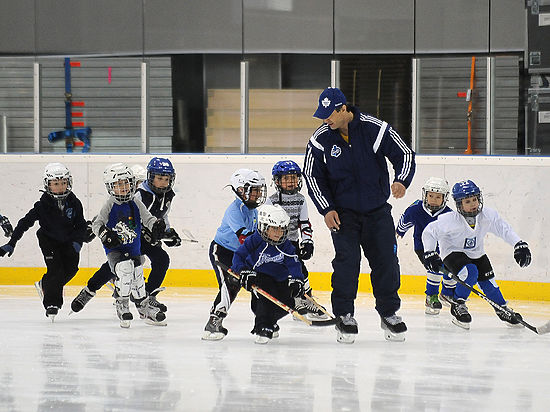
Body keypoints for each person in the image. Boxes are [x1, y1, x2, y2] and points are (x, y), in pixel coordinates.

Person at [303, 87, 416, 343]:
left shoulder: (374, 129)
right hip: (343, 215)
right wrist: (327, 208)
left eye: (329, 114)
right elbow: (312, 175)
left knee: (386, 262)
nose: (325, 120)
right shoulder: (320, 140)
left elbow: (405, 154)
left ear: (343, 109)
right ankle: (344, 314)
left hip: (377, 212)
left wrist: (402, 180)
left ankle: (389, 313)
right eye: (322, 116)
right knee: (347, 263)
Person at [71, 158, 179, 323]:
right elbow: (112, 215)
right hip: (131, 237)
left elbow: (160, 217)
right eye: (158, 178)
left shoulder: (166, 196)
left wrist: (167, 232)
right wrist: (99, 230)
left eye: (166, 178)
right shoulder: (138, 194)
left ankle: (146, 298)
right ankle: (91, 290)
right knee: (118, 267)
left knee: (159, 260)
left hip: (139, 239)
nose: (163, 182)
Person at [422, 180, 532, 329]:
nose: (473, 203)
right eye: (467, 201)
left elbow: (503, 229)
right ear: (459, 204)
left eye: (474, 199)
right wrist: (430, 252)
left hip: (476, 253)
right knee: (470, 272)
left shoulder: (487, 215)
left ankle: (502, 308)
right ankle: (458, 304)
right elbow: (429, 232)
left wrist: (519, 244)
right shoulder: (449, 220)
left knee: (489, 282)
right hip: (452, 253)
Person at [0, 163, 88, 320]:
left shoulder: (75, 203)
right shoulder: (42, 205)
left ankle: (44, 284)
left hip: (69, 241)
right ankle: (52, 303)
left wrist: (78, 242)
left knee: (72, 270)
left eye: (63, 183)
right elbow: (24, 223)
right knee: (56, 271)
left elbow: (81, 225)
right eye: (55, 184)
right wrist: (12, 242)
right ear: (47, 185)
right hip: (49, 241)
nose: (60, 187)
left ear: (69, 182)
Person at [91, 163, 167, 328]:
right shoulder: (110, 204)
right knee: (125, 270)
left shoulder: (135, 202)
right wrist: (105, 234)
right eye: (119, 184)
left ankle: (143, 306)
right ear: (110, 187)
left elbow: (148, 218)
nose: (124, 187)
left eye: (126, 183)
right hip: (115, 250)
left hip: (134, 248)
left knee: (138, 275)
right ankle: (122, 304)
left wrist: (156, 226)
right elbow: (96, 224)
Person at [202, 168, 267, 341]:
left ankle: (264, 321)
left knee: (259, 282)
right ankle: (214, 321)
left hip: (240, 253)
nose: (258, 194)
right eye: (255, 190)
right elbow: (245, 238)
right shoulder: (234, 210)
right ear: (240, 190)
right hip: (222, 251)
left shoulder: (252, 210)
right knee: (230, 283)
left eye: (259, 190)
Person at [233, 204, 305, 344]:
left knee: (288, 303)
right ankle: (262, 327)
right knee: (266, 298)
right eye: (275, 228)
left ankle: (270, 321)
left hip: (280, 279)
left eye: (282, 229)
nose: (279, 233)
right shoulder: (255, 240)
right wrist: (242, 270)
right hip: (260, 276)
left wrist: (297, 279)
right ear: (264, 227)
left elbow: (294, 263)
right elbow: (238, 256)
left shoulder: (286, 245)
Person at [265, 159, 327, 320]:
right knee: (286, 274)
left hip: (292, 243)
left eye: (293, 178)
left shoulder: (301, 199)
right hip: (274, 243)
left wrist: (307, 242)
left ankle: (305, 300)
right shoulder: (271, 200)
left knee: (300, 271)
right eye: (286, 178)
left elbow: (304, 223)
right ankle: (296, 301)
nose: (291, 182)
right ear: (277, 181)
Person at [396, 177, 456, 315]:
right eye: (430, 196)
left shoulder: (449, 214)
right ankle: (431, 297)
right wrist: (399, 231)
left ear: (444, 198)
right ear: (425, 195)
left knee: (451, 268)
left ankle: (447, 293)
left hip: (443, 248)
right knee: (434, 269)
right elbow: (405, 220)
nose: (433, 199)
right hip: (422, 247)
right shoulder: (416, 208)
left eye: (438, 196)